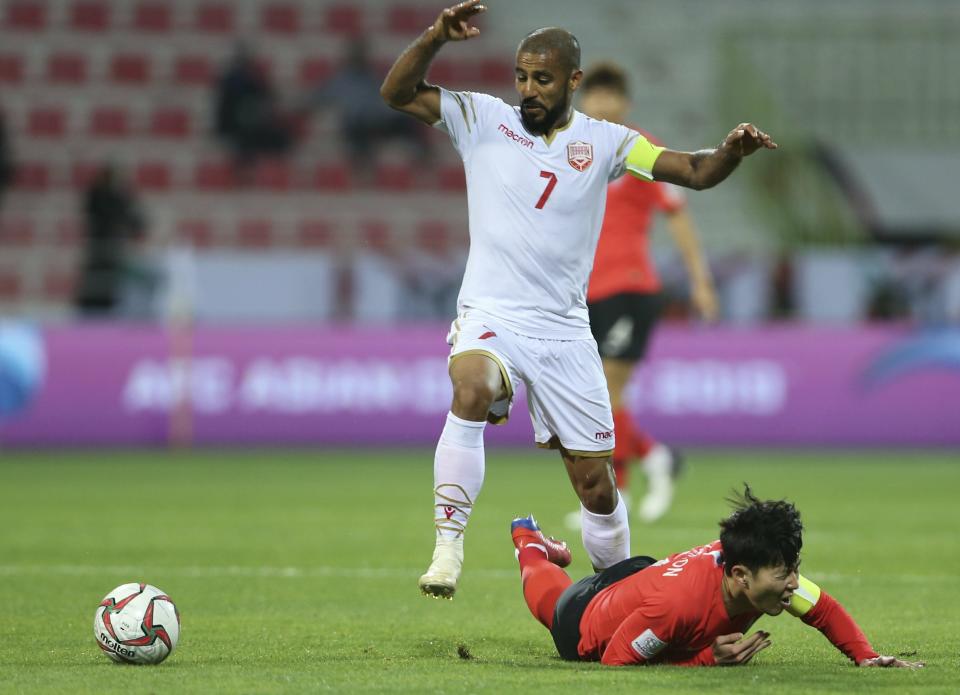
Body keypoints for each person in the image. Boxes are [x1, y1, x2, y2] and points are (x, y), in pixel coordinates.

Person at [380, 0, 777, 600]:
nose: (529, 89)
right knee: (470, 389)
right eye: (521, 76)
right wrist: (436, 36)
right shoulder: (481, 117)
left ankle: (619, 595)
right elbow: (397, 91)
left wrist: (730, 153)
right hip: (492, 314)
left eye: (542, 79)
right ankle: (447, 545)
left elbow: (692, 171)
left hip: (565, 331)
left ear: (573, 81)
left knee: (595, 485)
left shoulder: (608, 141)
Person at [510, 486, 924, 668]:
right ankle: (528, 540)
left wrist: (867, 657)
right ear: (740, 575)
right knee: (552, 607)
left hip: (643, 577)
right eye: (785, 574)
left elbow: (824, 610)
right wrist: (707, 659)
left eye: (794, 570)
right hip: (585, 620)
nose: (795, 583)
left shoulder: (768, 582)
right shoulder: (678, 607)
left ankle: (534, 544)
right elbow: (617, 661)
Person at [567, 63, 719, 527]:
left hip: (631, 288)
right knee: (597, 397)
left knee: (607, 391)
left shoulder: (640, 150)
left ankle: (619, 494)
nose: (603, 104)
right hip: (582, 293)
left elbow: (677, 215)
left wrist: (700, 280)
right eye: (595, 95)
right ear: (582, 100)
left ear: (625, 104)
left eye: (612, 95)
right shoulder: (568, 150)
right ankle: (655, 457)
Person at [306, 38, 431, 175]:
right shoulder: (341, 79)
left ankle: (425, 161)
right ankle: (363, 171)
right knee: (358, 133)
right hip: (357, 124)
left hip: (378, 121)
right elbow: (318, 97)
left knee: (407, 122)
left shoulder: (375, 76)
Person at [74, 164, 148, 316]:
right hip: (100, 250)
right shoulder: (98, 196)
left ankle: (107, 313)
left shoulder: (121, 198)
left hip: (112, 252)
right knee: (97, 285)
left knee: (111, 287)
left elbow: (137, 223)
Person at [213, 43, 294, 172]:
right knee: (247, 142)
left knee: (279, 140)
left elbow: (268, 98)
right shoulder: (234, 81)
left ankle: (265, 172)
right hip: (235, 127)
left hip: (250, 127)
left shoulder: (253, 82)